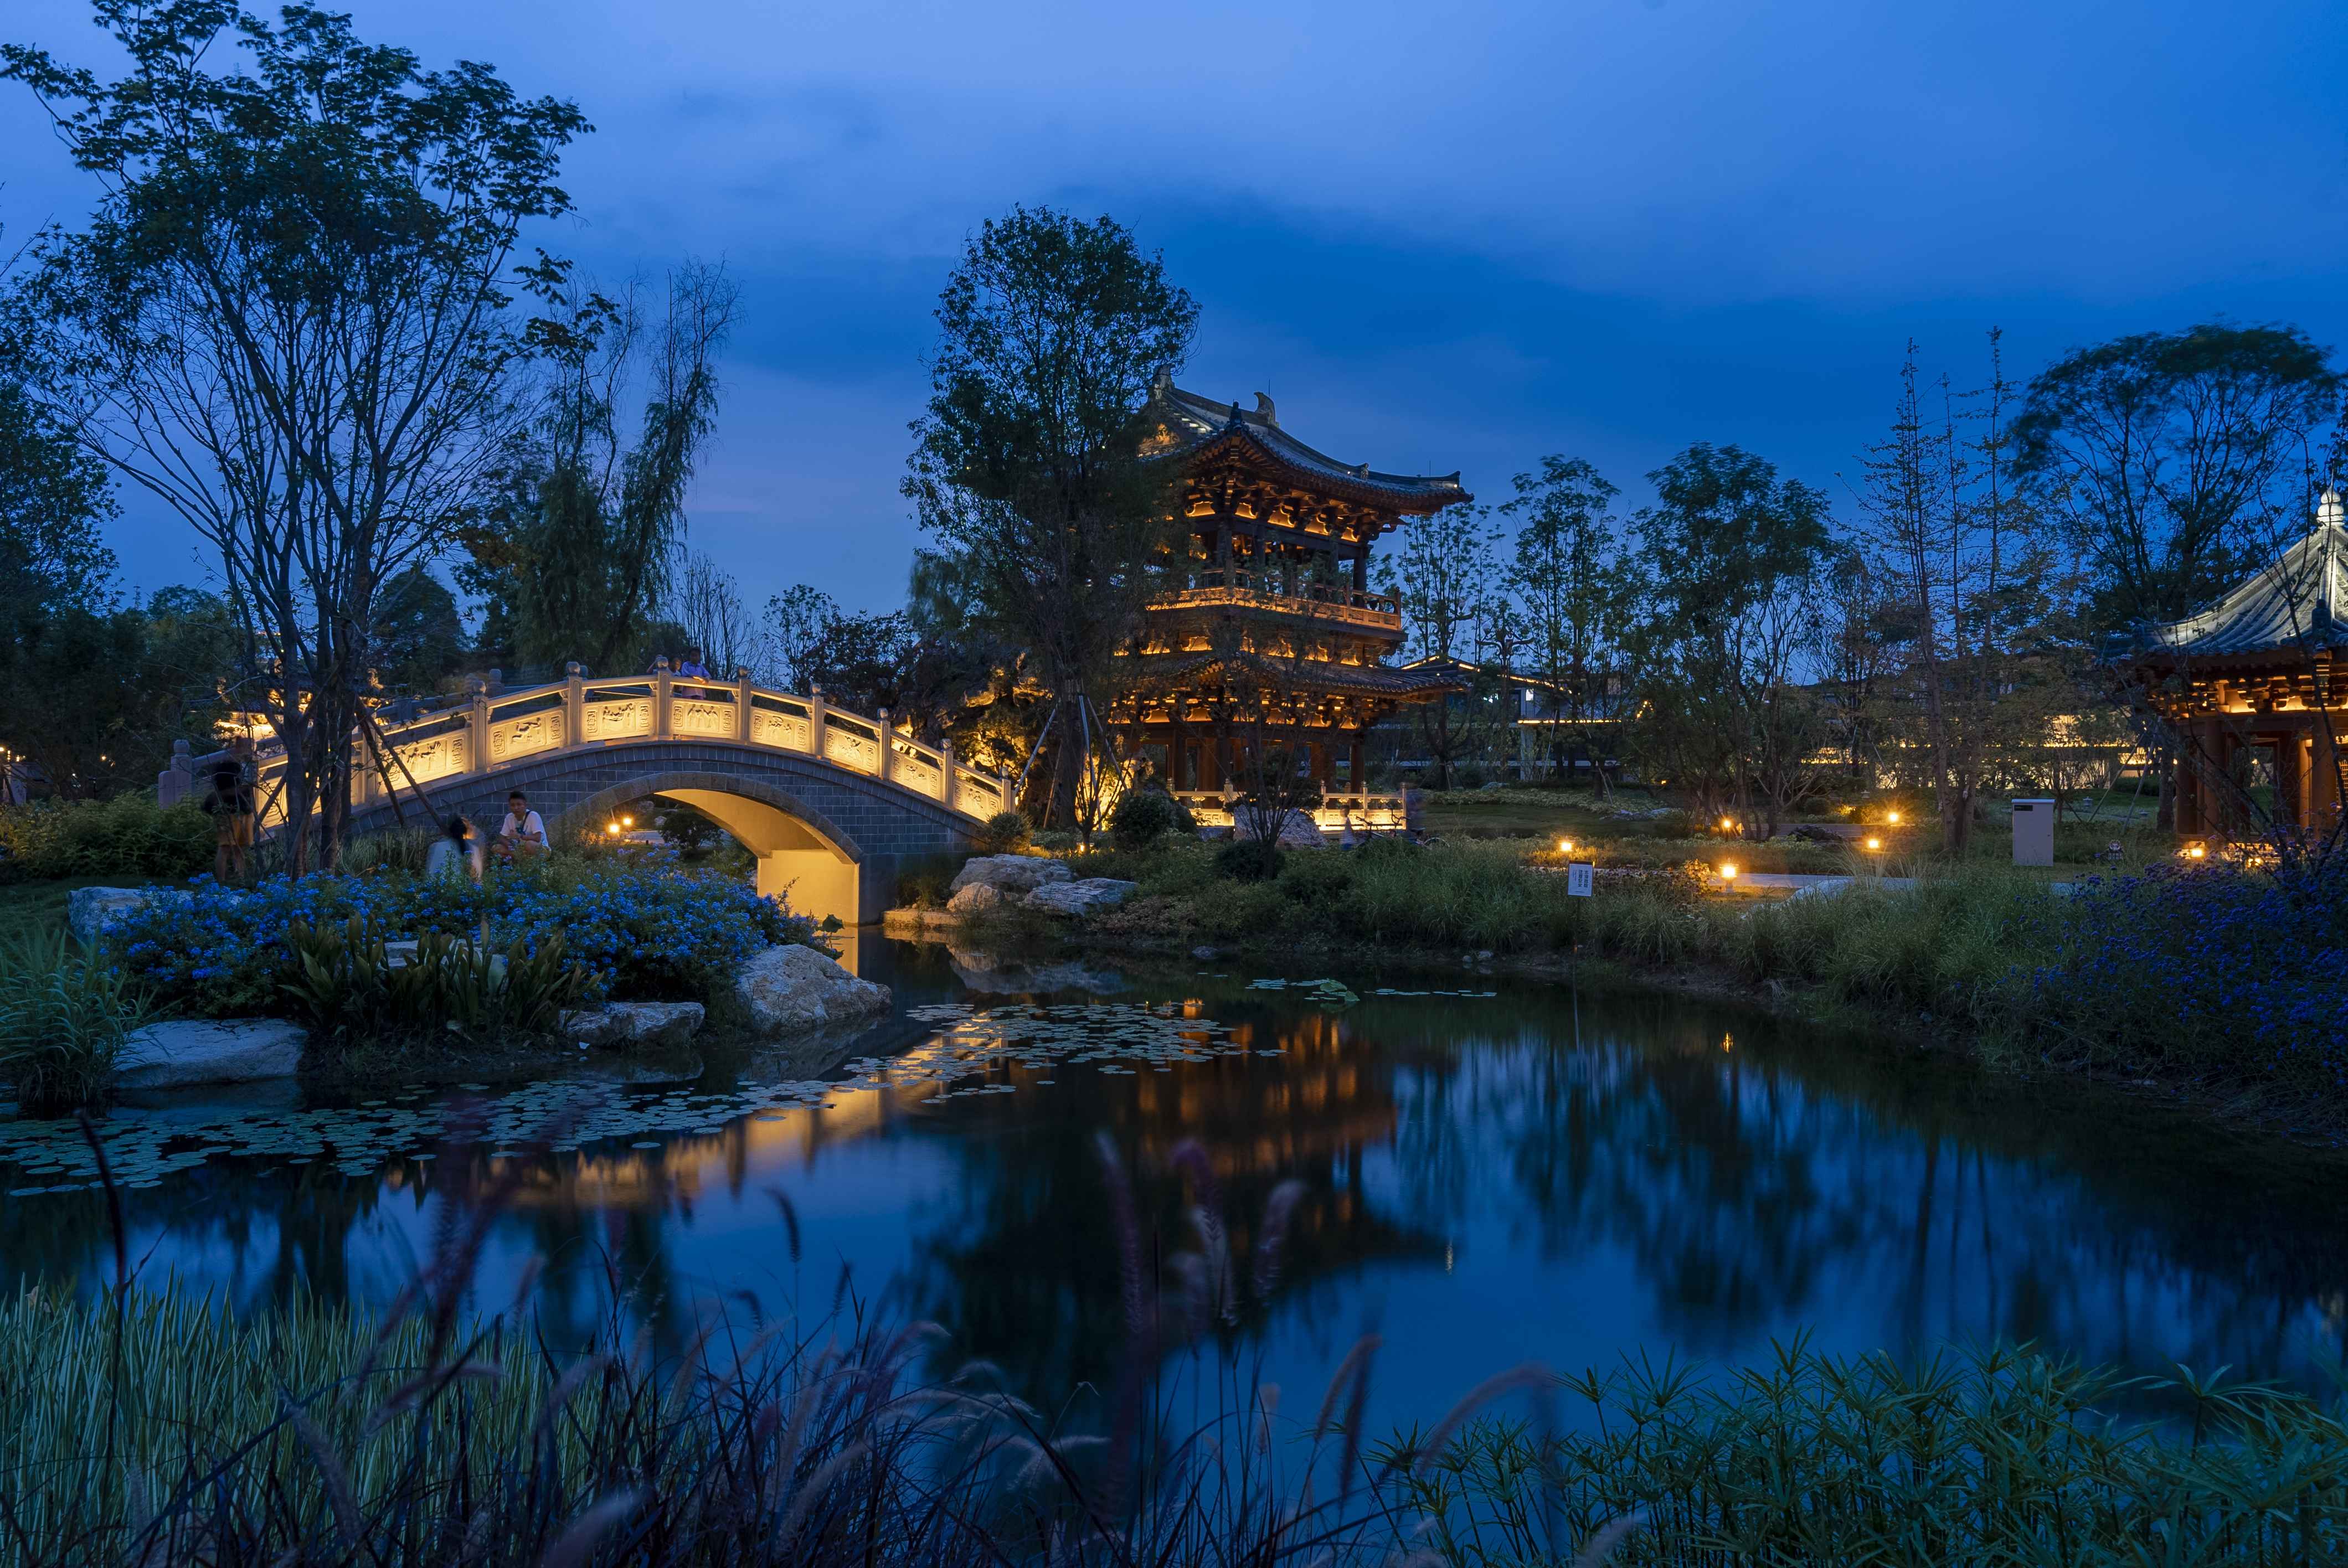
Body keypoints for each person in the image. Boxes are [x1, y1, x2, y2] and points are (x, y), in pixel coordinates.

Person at [199, 762, 255, 882]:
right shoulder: (223, 792)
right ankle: (222, 880)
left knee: (240, 849)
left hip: (243, 814)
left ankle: (240, 878)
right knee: (225, 848)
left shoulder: (239, 787)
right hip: (228, 816)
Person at [425, 815, 483, 883]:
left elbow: (431, 875)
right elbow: (477, 876)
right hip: (467, 891)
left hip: (442, 890)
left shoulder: (437, 847)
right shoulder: (474, 849)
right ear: (465, 832)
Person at [496, 790, 549, 862]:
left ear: (525, 805)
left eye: (519, 804)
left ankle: (522, 860)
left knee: (529, 844)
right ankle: (523, 859)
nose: (516, 808)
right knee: (496, 848)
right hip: (519, 849)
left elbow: (538, 838)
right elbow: (502, 837)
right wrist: (510, 846)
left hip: (540, 849)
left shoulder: (533, 816)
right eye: (513, 805)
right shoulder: (509, 818)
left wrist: (520, 836)